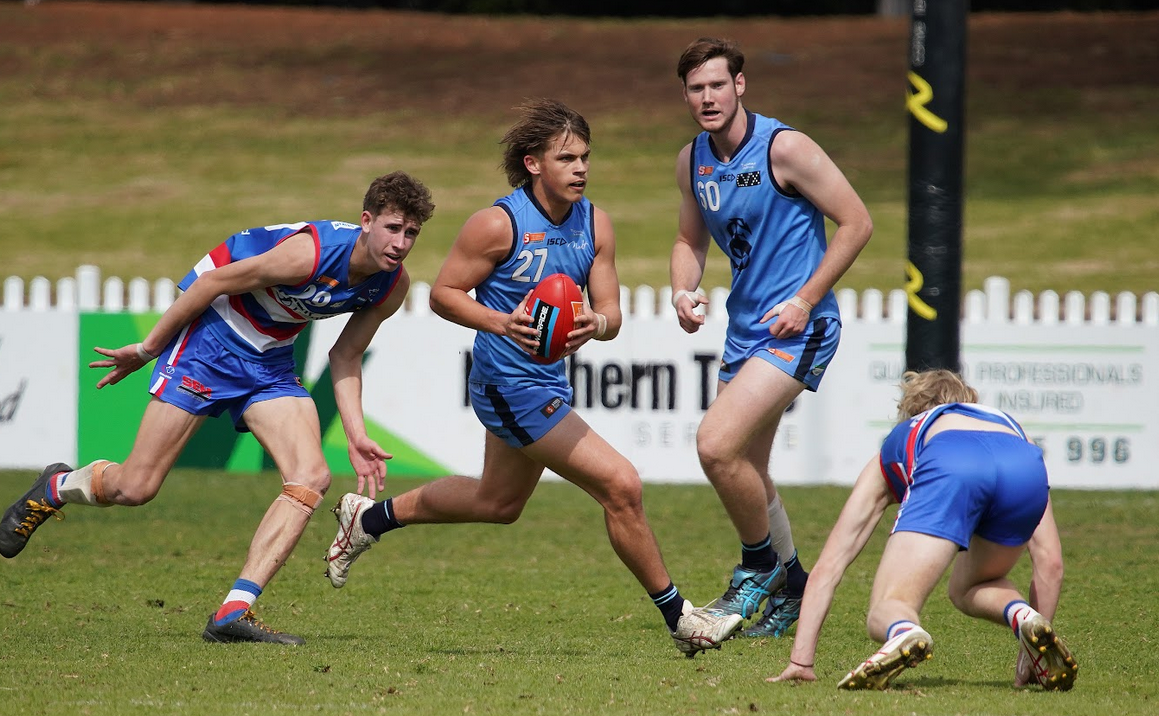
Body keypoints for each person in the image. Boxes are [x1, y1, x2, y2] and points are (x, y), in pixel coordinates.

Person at [323, 99, 743, 656]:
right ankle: (683, 620)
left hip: (546, 385)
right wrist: (502, 321)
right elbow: (444, 293)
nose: (581, 169)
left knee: (498, 503)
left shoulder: (595, 223)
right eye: (566, 158)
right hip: (505, 384)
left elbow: (612, 315)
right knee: (622, 486)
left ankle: (369, 519)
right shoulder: (498, 224)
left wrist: (596, 322)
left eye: (585, 157)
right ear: (533, 163)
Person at [0, 172, 436, 646]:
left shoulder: (390, 287)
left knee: (311, 477)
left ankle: (233, 611)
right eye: (393, 228)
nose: (401, 243)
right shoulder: (308, 253)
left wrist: (356, 435)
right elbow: (212, 282)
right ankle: (57, 487)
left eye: (411, 233)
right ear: (366, 221)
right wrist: (147, 349)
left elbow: (344, 355)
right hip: (209, 341)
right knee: (135, 487)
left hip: (270, 360)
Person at [669, 37, 874, 636]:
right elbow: (689, 241)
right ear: (685, 95)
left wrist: (805, 299)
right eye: (694, 88)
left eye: (716, 85)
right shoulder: (691, 161)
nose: (706, 97)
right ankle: (793, 587)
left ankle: (757, 568)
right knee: (749, 470)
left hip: (801, 328)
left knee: (714, 444)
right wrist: (685, 290)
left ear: (740, 85)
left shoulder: (786, 148)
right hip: (745, 330)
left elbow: (857, 222)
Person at [769, 369, 1078, 691]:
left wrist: (801, 661)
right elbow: (1050, 562)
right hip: (1023, 466)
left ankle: (903, 630)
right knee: (970, 586)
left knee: (885, 608)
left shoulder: (907, 437)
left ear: (911, 409)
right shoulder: (1010, 428)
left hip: (949, 459)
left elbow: (829, 566)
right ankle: (1023, 617)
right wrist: (1034, 655)